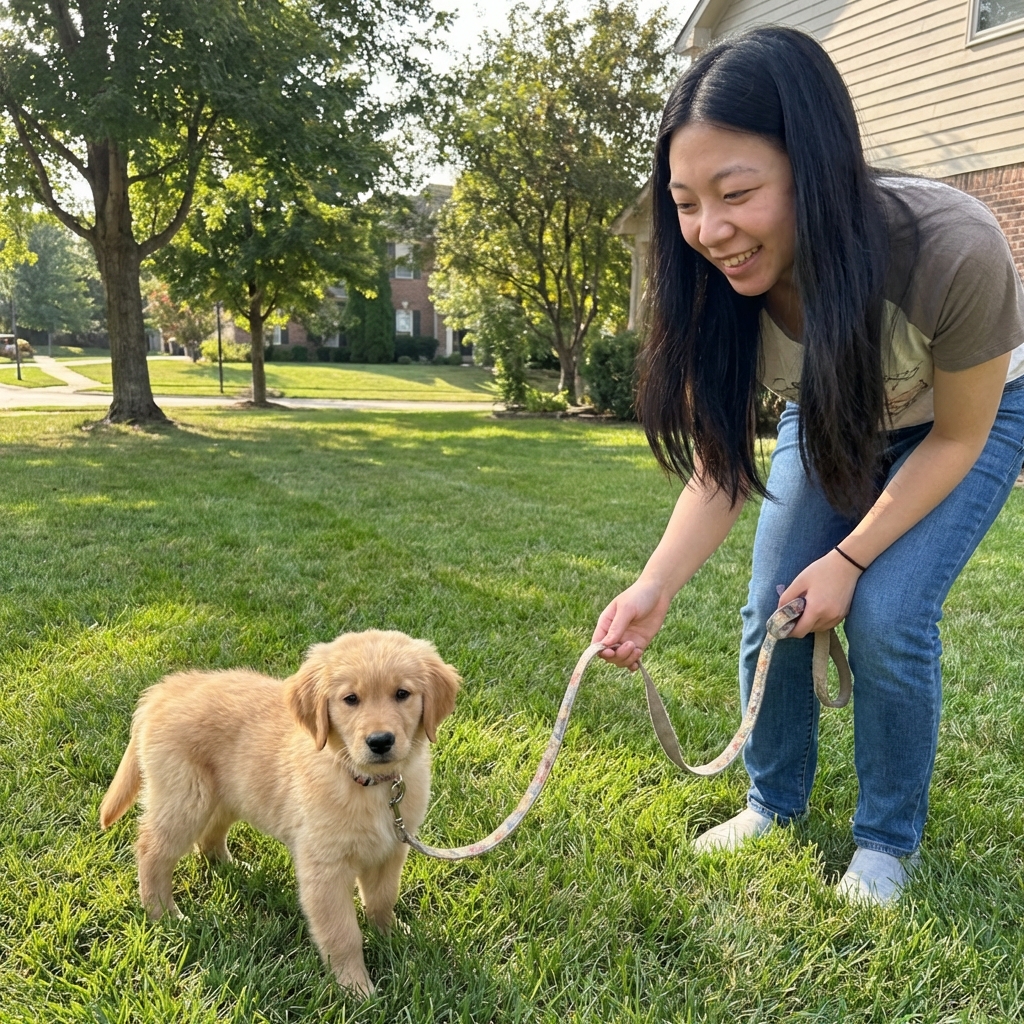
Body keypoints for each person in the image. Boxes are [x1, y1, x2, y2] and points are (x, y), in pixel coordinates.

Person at [593, 27, 1024, 904]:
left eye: (736, 193)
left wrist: (852, 558)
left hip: (962, 423)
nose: (710, 231)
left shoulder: (952, 248)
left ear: (813, 166)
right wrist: (654, 586)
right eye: (684, 202)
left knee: (890, 614)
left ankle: (886, 842)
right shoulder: (719, 289)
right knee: (773, 605)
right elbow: (719, 467)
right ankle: (771, 801)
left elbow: (954, 441)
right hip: (831, 415)